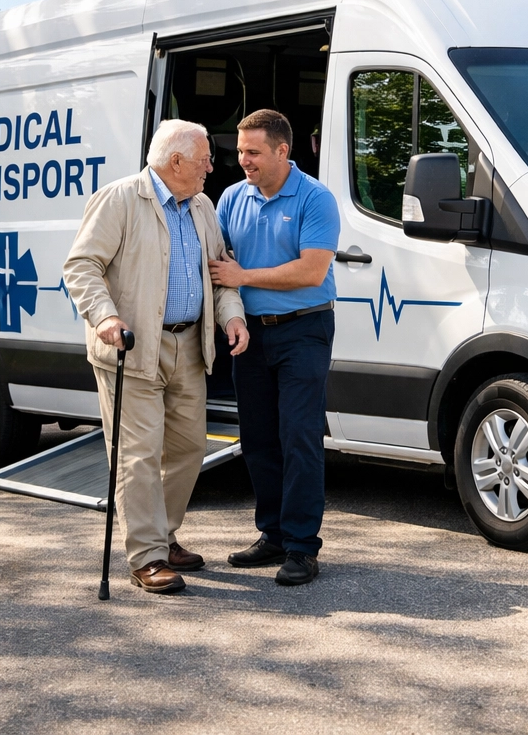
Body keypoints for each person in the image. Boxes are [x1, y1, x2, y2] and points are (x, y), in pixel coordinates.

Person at [63, 119, 250, 595]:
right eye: (206, 157)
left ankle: (163, 536)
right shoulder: (121, 199)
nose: (213, 165)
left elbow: (220, 274)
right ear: (176, 162)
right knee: (138, 455)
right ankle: (146, 555)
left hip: (189, 345)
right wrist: (103, 317)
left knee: (189, 448)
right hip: (133, 346)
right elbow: (81, 266)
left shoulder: (202, 206)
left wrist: (232, 317)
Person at [210, 108, 340, 586]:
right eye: (240, 151)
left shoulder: (315, 198)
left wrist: (244, 277)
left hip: (304, 330)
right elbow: (218, 263)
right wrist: (234, 313)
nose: (243, 160)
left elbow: (311, 271)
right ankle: (273, 535)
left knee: (300, 437)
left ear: (282, 151)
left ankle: (303, 547)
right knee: (259, 438)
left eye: (253, 152)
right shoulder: (230, 197)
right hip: (250, 332)